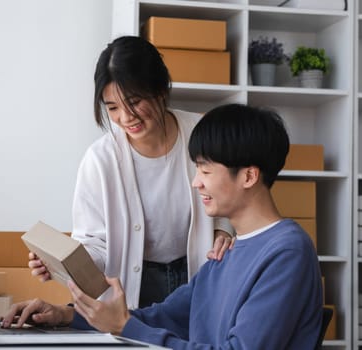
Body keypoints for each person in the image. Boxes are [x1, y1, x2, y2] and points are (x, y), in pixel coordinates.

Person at [3, 103, 323, 349]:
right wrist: (67, 315)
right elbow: (163, 316)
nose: (196, 183)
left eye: (206, 171)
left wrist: (124, 326)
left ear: (249, 176)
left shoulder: (286, 252)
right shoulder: (228, 253)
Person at [28, 35, 234, 309]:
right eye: (112, 107)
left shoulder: (202, 133)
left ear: (160, 90)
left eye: (134, 102)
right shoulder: (100, 160)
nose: (126, 118)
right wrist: (63, 263)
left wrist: (224, 230)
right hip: (134, 284)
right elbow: (95, 245)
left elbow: (233, 192)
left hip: (198, 273)